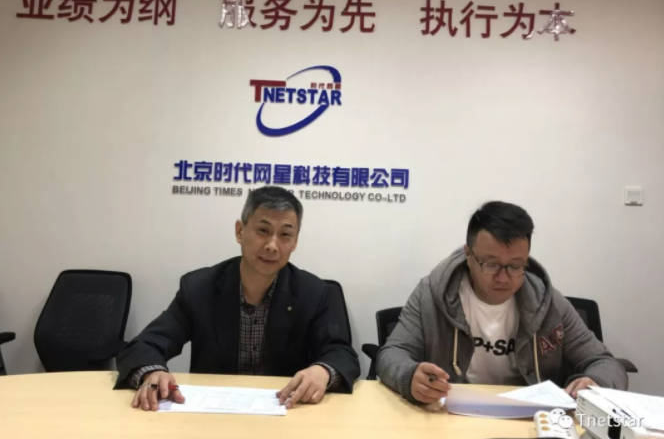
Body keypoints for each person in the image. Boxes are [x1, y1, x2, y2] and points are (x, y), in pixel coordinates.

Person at [115, 186, 360, 411]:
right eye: (263, 231)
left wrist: (323, 371)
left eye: (285, 235)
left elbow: (341, 353)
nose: (272, 245)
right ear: (240, 231)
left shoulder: (313, 292)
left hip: (287, 414)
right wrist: (153, 373)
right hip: (214, 416)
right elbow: (144, 345)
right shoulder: (199, 288)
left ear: (295, 242)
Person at [376, 201, 627, 405]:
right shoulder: (431, 295)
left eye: (516, 266)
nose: (504, 277)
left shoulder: (548, 303)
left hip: (527, 419)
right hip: (451, 415)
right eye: (491, 264)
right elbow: (391, 354)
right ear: (468, 255)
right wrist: (409, 376)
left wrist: (595, 383)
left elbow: (606, 364)